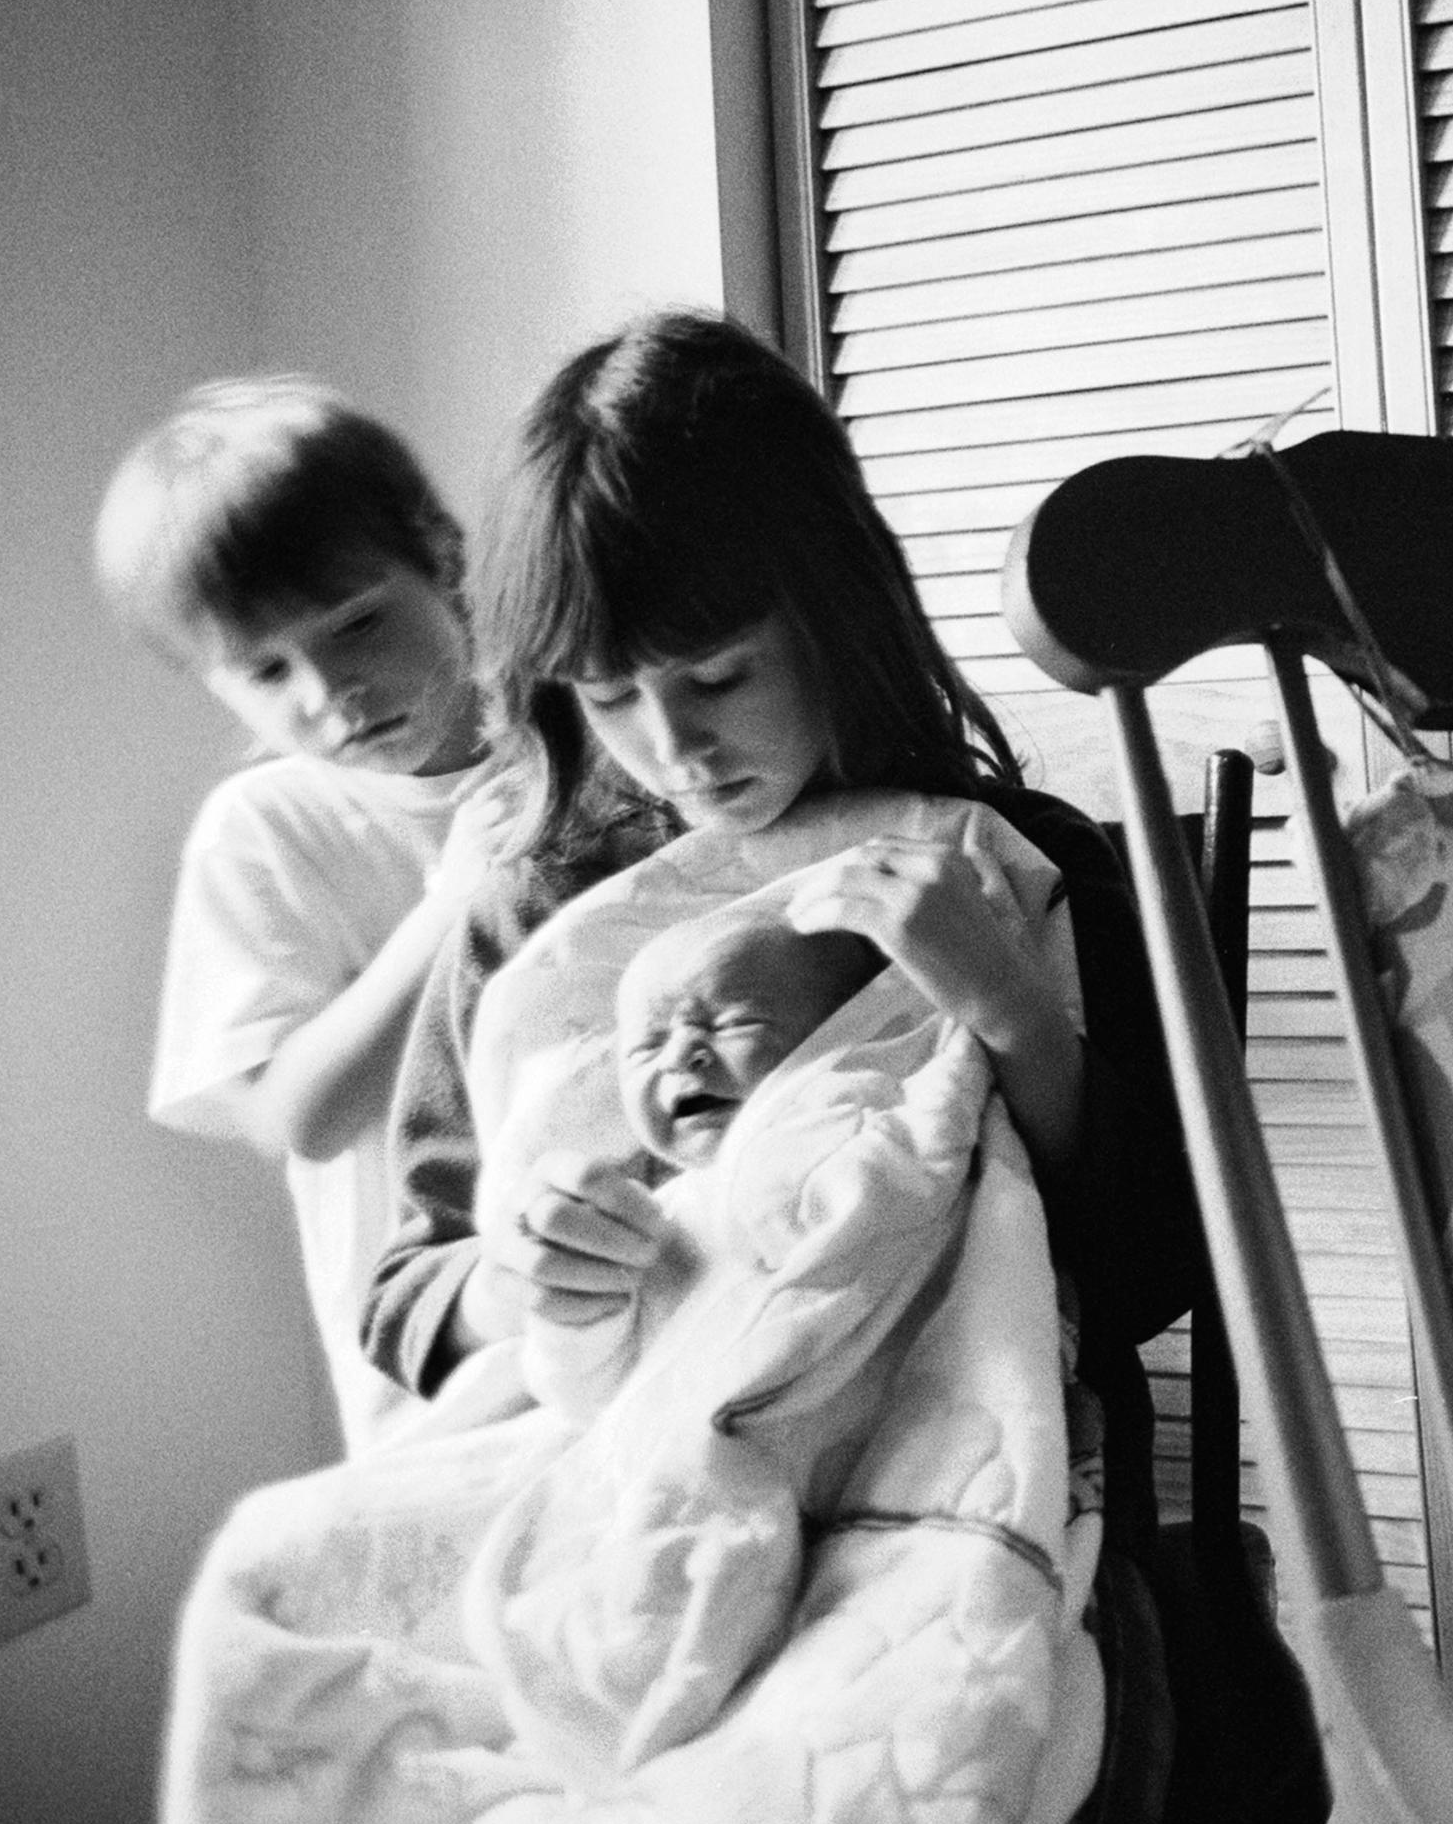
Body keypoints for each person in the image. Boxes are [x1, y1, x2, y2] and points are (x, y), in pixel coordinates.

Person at [358, 307, 1202, 1427]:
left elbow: (1154, 1273)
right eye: (609, 697)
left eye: (719, 677)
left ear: (838, 612)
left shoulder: (1015, 862)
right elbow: (404, 1294)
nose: (673, 748)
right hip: (627, 1470)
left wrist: (1012, 1011)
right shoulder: (543, 908)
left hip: (956, 1453)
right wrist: (515, 1277)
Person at [99, 377, 505, 1456]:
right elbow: (296, 1118)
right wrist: (457, 904)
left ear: (443, 559)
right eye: (268, 669)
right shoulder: (267, 829)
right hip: (442, 1377)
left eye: (358, 624)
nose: (331, 694)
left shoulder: (585, 739)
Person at [612, 897, 889, 1173]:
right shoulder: (665, 1198)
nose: (676, 1057)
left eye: (735, 1023)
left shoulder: (874, 1142)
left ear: (858, 1027)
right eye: (646, 1046)